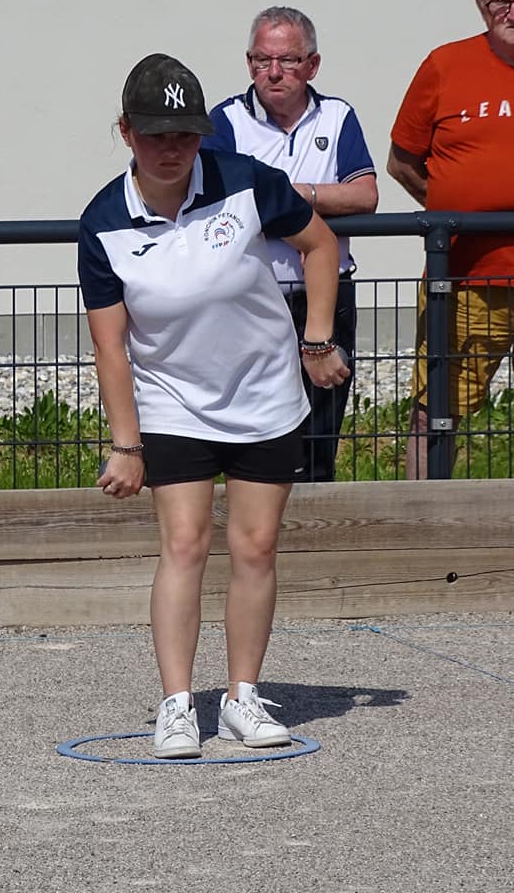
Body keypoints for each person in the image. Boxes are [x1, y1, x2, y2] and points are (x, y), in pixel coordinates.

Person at [78, 53, 347, 759]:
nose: (171, 150)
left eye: (185, 135)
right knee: (185, 545)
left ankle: (241, 697)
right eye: (155, 135)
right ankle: (176, 706)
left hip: (264, 394)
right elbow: (111, 346)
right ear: (126, 132)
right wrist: (126, 445)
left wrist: (316, 338)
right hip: (172, 403)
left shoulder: (246, 181)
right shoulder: (102, 222)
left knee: (255, 547)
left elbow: (319, 245)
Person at [203, 6, 377, 482]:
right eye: (262, 60)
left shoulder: (338, 117)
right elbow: (220, 205)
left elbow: (365, 196)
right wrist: (313, 213)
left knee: (321, 427)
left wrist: (292, 196)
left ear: (312, 65)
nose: (274, 72)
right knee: (255, 425)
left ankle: (314, 517)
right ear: (249, 63)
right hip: (252, 296)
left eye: (288, 60)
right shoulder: (226, 121)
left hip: (330, 293)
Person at [388, 0, 514, 479]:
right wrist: (453, 210)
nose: (510, 12)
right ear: (481, 7)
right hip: (464, 277)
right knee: (435, 411)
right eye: (500, 2)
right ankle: (422, 517)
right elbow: (402, 163)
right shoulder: (445, 65)